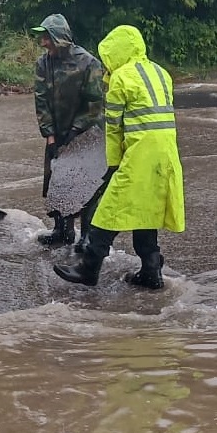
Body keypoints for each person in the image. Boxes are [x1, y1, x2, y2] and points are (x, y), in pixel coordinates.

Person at [53, 24, 184, 289]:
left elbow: (114, 128)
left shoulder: (121, 79)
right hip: (167, 155)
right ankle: (151, 272)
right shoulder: (162, 73)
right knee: (145, 211)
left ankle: (88, 268)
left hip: (139, 154)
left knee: (107, 211)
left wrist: (113, 165)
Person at [31, 13, 106, 248]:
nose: (43, 43)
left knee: (86, 185)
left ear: (60, 38)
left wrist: (76, 131)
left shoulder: (88, 63)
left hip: (87, 134)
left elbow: (96, 104)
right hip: (58, 131)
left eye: (47, 38)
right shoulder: (43, 63)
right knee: (57, 179)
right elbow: (40, 101)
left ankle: (86, 236)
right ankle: (61, 231)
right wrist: (50, 136)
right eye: (41, 37)